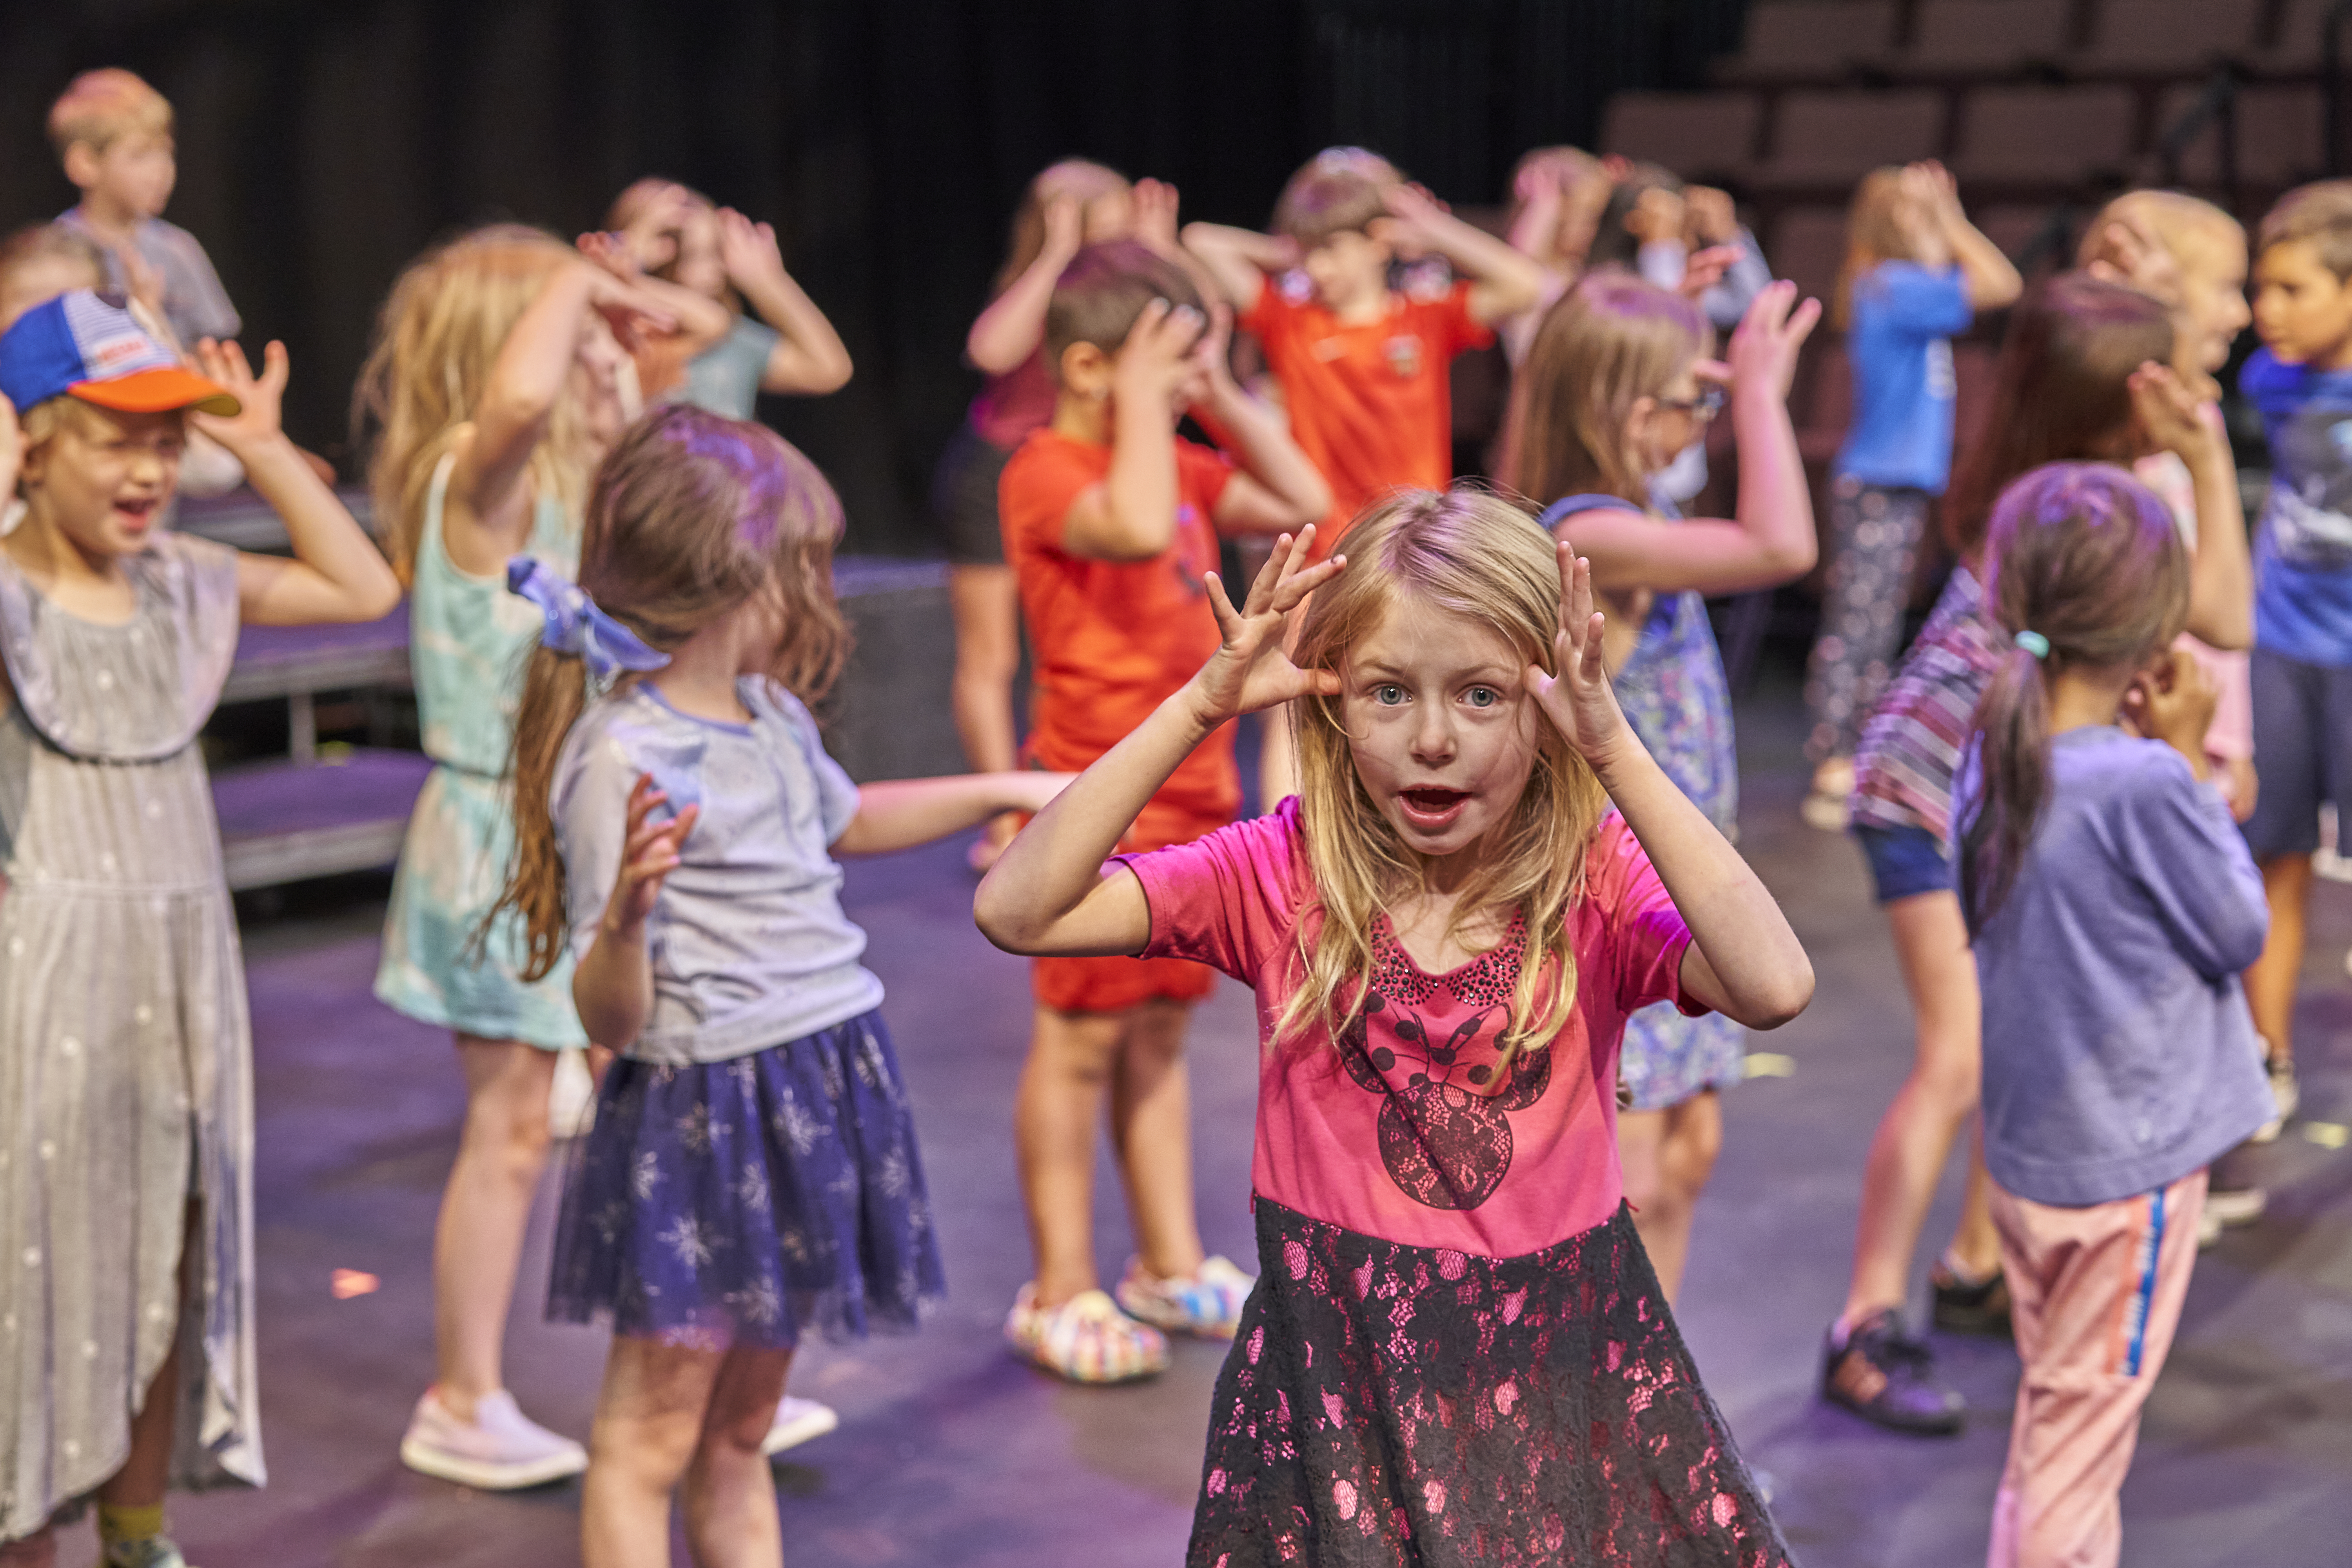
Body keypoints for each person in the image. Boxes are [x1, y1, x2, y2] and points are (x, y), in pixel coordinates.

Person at [975, 496, 1812, 1565]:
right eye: (1386, 692)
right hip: (1339, 1383)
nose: (1431, 739)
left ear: (1549, 703)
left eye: (1482, 695)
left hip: (1551, 1370)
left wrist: (1618, 756)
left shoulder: (1590, 877)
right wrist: (1200, 705)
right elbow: (1019, 909)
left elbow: (1774, 983)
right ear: (1330, 705)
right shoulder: (1282, 871)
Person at [485, 403, 1063, 1568]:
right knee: (649, 1435)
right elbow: (608, 1020)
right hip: (708, 1113)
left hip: (820, 1079)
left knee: (741, 1427)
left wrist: (1011, 784)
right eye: (798, 568)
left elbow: (846, 819)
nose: (817, 592)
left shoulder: (770, 714)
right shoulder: (622, 756)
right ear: (726, 584)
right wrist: (630, 922)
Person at [0, 292, 400, 1568]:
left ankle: (135, 1528)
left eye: (171, 441)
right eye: (117, 435)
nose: (151, 470)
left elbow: (363, 580)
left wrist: (268, 451)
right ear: (33, 443)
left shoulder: (184, 581)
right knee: (37, 1270)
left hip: (179, 972)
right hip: (46, 978)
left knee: (166, 1250)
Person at [1824, 273, 2252, 1434]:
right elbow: (2224, 619)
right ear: (2127, 393)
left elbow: (2216, 621)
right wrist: (2202, 457)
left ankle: (1972, 1268)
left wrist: (2197, 456)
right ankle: (1859, 1325)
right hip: (1927, 790)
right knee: (1958, 1054)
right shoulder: (2073, 509)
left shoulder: (2084, 483)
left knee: (2012, 1028)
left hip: (1997, 787)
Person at [356, 226, 681, 1488]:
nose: (595, 335)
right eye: (569, 318)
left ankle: (672, 1376)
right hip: (499, 836)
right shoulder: (465, 475)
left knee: (636, 1101)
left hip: (589, 821)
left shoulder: (565, 471)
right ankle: (462, 1394)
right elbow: (521, 399)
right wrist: (577, 276)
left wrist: (624, 382)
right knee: (506, 1127)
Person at [995, 240, 1329, 1382]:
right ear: (1088, 367)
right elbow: (1134, 527)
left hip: (1198, 798)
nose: (1184, 382)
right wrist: (1143, 403)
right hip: (1097, 800)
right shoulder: (1043, 469)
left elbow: (1299, 497)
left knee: (1161, 1035)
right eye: (1162, 359)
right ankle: (1059, 1285)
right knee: (1080, 1042)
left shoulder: (1180, 463)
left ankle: (1165, 1257)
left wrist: (1222, 391)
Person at [1955, 462, 2272, 1568]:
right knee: (2078, 1445)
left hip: (2038, 1154)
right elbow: (2239, 928)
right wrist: (2187, 757)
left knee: (2057, 1417)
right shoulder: (2140, 782)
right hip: (2124, 1176)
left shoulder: (1998, 750)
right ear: (2154, 625)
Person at [1503, 271, 1821, 1300]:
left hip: (1678, 900)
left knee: (1684, 1162)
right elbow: (1782, 545)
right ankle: (1596, 1430)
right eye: (1699, 397)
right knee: (1632, 1184)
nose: (1713, 415)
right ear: (1635, 414)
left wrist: (1666, 301)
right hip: (1620, 905)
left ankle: (1653, 1433)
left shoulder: (1639, 507)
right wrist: (1769, 393)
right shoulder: (1586, 533)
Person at [940, 160, 1183, 871]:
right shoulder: (1039, 287)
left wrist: (1155, 252)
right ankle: (1009, 817)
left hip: (1086, 477)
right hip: (997, 473)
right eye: (1093, 222)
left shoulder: (1115, 292)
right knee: (991, 657)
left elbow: (1187, 333)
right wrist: (1056, 254)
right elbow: (989, 349)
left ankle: (1103, 810)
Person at [1180, 147, 1548, 556]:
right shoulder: (1288, 321)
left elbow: (1526, 285)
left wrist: (1434, 230)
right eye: (1310, 252)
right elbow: (1201, 242)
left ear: (1377, 242)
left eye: (1332, 248)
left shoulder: (1424, 319)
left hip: (1412, 543)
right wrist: (1289, 251)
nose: (1318, 268)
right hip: (1326, 544)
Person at [1800, 162, 2022, 829]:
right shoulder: (1892, 286)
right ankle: (1834, 755)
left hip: (1895, 481)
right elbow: (2001, 284)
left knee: (1876, 619)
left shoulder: (1896, 287)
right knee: (1858, 623)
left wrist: (1941, 213)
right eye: (1914, 212)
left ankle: (1854, 749)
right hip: (1878, 479)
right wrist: (1950, 218)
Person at [2234, 180, 2352, 1142]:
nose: (2264, 311)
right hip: (2282, 645)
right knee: (2272, 855)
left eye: (2291, 289)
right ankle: (2264, 1057)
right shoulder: (2270, 381)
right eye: (2258, 288)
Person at [604, 178, 853, 418]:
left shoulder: (731, 339)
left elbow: (830, 370)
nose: (716, 269)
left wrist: (769, 283)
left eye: (718, 251)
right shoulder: (621, 338)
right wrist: (627, 259)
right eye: (695, 255)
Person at [47, 70, 240, 355]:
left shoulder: (177, 250)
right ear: (85, 163)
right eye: (140, 155)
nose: (161, 171)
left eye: (166, 153)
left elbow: (214, 354)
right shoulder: (53, 255)